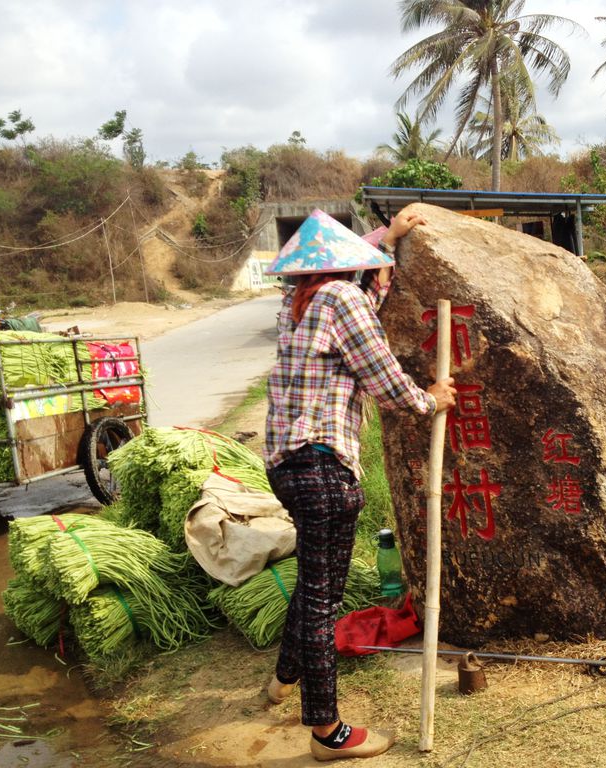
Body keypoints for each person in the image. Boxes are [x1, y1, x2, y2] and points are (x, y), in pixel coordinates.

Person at [262, 207, 455, 762]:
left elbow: (366, 299)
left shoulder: (295, 307)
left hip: (288, 465)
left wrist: (387, 238)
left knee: (313, 583)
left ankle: (282, 680)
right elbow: (382, 374)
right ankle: (327, 732)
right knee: (323, 600)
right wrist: (428, 398)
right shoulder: (341, 301)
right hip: (322, 466)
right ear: (346, 267)